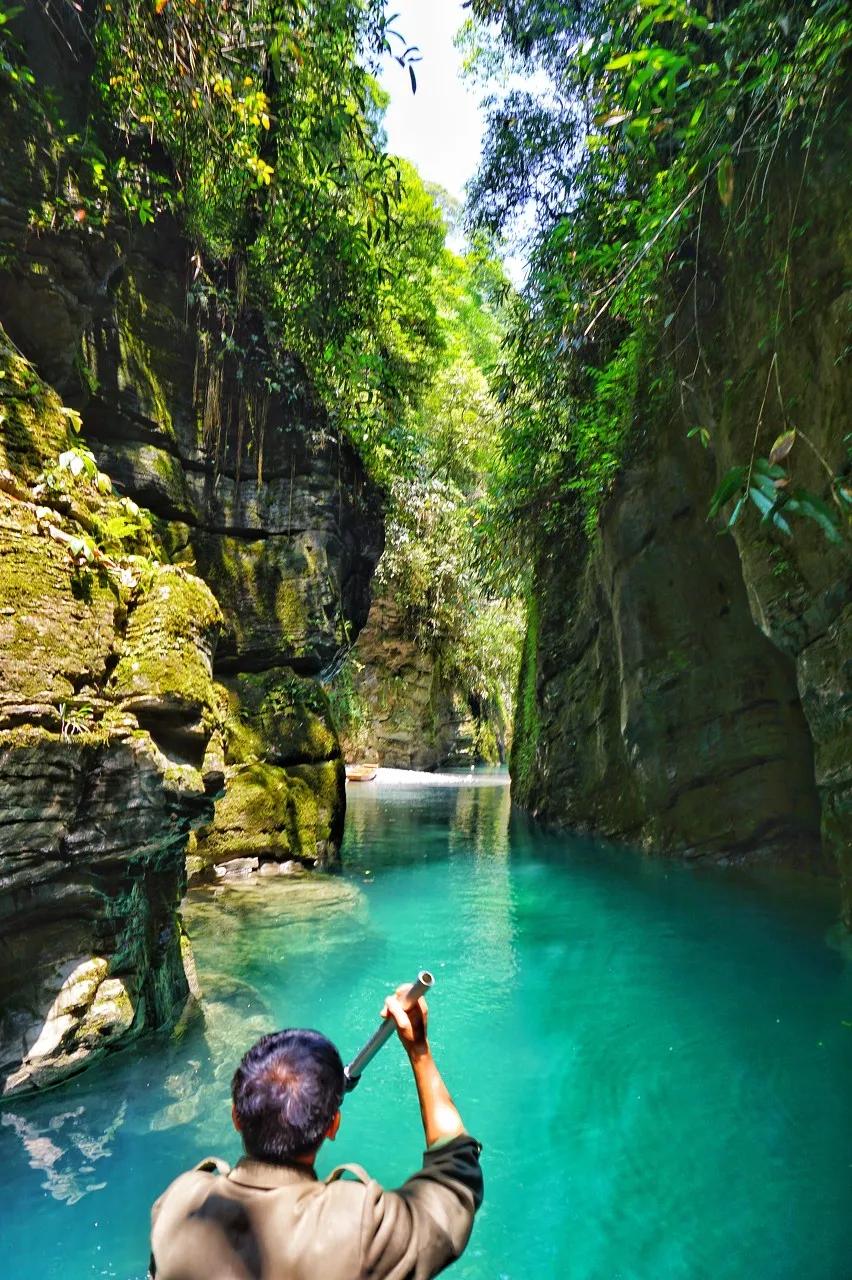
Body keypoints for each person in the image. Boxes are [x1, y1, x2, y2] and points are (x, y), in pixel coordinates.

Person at [149, 985, 483, 1279]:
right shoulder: (356, 1226)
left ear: (236, 1116)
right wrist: (419, 1051)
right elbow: (456, 1180)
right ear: (333, 1126)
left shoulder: (179, 1205)